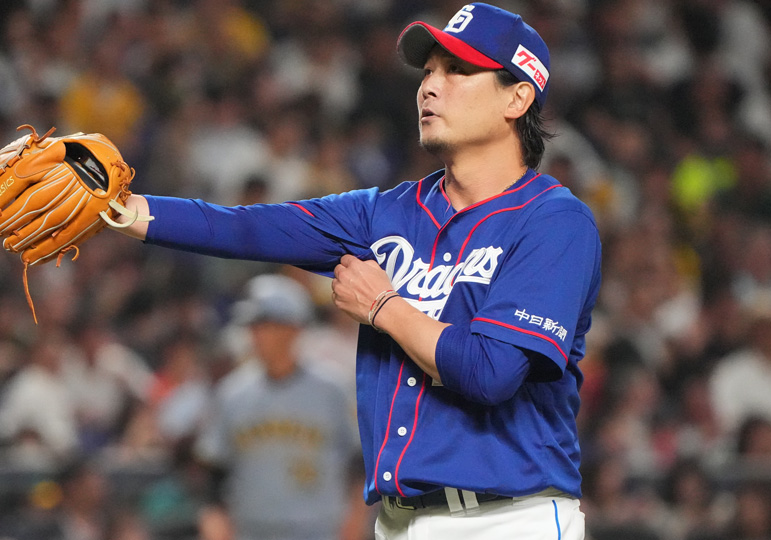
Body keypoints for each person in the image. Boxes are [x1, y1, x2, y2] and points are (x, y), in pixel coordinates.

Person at [111, 3, 601, 538]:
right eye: (429, 71)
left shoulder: (554, 222)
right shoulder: (383, 213)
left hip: (508, 520)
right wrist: (118, 208)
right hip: (398, 521)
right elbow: (244, 228)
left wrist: (384, 307)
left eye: (458, 70)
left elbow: (491, 372)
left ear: (517, 97)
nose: (429, 86)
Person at [193, 274, 363, 540]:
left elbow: (359, 464)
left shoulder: (333, 389)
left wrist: (356, 520)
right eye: (253, 327)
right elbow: (215, 472)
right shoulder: (232, 393)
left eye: (265, 326)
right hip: (251, 531)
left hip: (320, 530)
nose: (256, 336)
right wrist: (215, 520)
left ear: (293, 328)